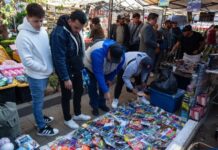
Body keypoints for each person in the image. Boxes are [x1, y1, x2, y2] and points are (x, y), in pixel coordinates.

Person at [15, 3, 59, 136]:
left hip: (45, 73)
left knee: (40, 100)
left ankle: (39, 117)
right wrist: (45, 68)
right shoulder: (22, 37)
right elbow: (27, 61)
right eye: (36, 21)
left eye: (41, 20)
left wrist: (50, 67)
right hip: (35, 76)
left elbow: (47, 50)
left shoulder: (43, 31)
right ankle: (41, 127)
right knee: (37, 101)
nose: (39, 24)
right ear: (28, 18)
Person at [50, 11, 91, 129]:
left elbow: (79, 49)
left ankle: (77, 113)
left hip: (76, 66)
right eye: (76, 27)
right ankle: (67, 118)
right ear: (70, 21)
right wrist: (65, 77)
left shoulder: (75, 29)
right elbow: (59, 58)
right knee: (66, 94)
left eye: (80, 28)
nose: (78, 31)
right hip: (66, 69)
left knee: (79, 90)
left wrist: (81, 66)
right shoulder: (58, 34)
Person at [84, 39, 125, 116]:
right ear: (109, 51)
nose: (113, 61)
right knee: (92, 87)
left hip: (106, 70)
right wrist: (106, 91)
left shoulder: (121, 56)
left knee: (104, 86)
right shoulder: (97, 53)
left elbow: (117, 69)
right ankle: (94, 106)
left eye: (115, 60)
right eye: (112, 59)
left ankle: (102, 104)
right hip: (91, 68)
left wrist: (110, 79)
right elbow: (98, 73)